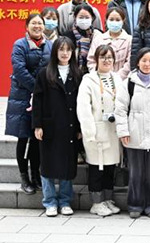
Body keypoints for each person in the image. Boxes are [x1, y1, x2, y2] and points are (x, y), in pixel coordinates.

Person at [115, 48, 150, 219]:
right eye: (144, 60)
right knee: (136, 173)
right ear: (137, 62)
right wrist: (123, 131)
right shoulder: (128, 83)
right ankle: (135, 205)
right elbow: (120, 109)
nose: (147, 64)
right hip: (134, 134)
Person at [32, 37, 82, 217]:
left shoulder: (78, 74)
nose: (65, 53)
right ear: (55, 52)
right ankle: (50, 201)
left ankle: (65, 201)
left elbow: (82, 103)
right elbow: (37, 101)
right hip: (50, 126)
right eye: (61, 49)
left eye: (68, 50)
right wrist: (37, 125)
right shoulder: (45, 74)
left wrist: (80, 128)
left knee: (67, 165)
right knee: (48, 165)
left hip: (70, 126)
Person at [5, 14, 52, 195]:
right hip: (22, 97)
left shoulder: (50, 45)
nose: (37, 26)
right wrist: (36, 88)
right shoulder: (20, 45)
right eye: (34, 23)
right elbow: (19, 70)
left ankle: (36, 175)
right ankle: (24, 176)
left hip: (41, 97)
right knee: (23, 137)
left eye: (40, 23)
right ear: (27, 26)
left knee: (36, 138)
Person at [76, 45, 123, 217]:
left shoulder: (117, 78)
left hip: (113, 130)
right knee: (97, 168)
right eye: (103, 57)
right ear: (96, 59)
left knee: (110, 167)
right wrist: (89, 132)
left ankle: (107, 199)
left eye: (109, 57)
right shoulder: (88, 80)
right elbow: (83, 108)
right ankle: (96, 202)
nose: (106, 60)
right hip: (96, 130)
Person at [88, 7, 132, 80]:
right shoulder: (98, 39)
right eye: (111, 19)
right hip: (100, 80)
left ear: (123, 21)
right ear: (106, 20)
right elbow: (91, 60)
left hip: (122, 80)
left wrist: (117, 78)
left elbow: (130, 62)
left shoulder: (129, 40)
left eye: (117, 20)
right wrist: (98, 76)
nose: (114, 22)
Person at [63, 4, 102, 75]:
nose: (84, 20)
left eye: (87, 17)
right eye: (81, 17)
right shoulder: (67, 36)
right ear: (75, 17)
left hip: (94, 73)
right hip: (72, 74)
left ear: (92, 18)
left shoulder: (99, 35)